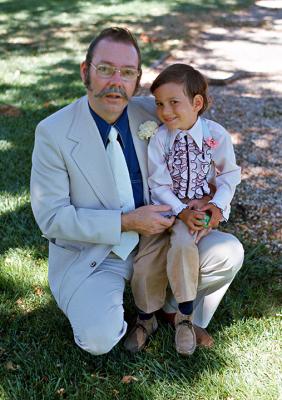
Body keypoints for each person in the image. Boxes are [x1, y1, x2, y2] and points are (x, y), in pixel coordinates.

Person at [30, 27, 244, 356]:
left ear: (138, 79)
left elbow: (201, 142)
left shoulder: (154, 110)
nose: (117, 81)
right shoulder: (53, 133)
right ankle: (136, 307)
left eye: (127, 72)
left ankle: (174, 312)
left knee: (228, 252)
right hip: (99, 252)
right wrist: (127, 222)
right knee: (98, 339)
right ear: (86, 71)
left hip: (166, 233)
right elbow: (52, 218)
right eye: (105, 69)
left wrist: (210, 201)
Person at [125, 64, 242, 356]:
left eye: (173, 102)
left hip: (195, 209)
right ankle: (146, 319)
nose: (165, 112)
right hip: (166, 208)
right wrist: (179, 210)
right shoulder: (161, 138)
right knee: (147, 258)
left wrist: (216, 206)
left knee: (182, 245)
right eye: (160, 104)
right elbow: (159, 183)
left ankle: (185, 319)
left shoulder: (215, 135)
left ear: (197, 103)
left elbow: (229, 175)